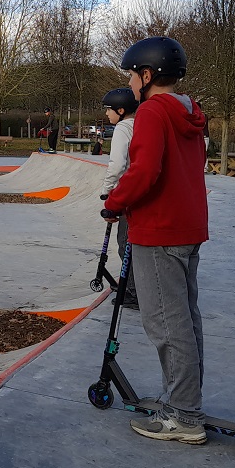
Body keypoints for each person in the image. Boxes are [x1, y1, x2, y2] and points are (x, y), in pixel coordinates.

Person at [102, 36, 209, 445]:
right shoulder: (190, 111)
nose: (130, 83)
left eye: (132, 75)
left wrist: (114, 203)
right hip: (188, 226)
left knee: (165, 322)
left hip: (159, 229)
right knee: (186, 319)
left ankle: (183, 414)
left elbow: (144, 171)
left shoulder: (151, 112)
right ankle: (187, 400)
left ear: (147, 75)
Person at [100, 87, 139, 309]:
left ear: (121, 110)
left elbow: (117, 164)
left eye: (109, 109)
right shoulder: (142, 123)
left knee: (125, 243)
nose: (106, 114)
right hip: (142, 191)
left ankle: (132, 292)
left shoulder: (123, 128)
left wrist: (107, 190)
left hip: (128, 193)